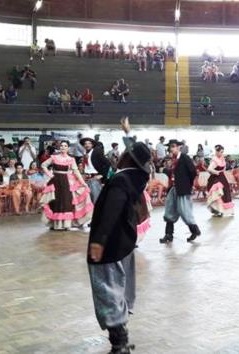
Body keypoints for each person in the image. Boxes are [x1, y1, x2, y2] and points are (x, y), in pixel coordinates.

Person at [87, 142, 153, 354]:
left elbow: (111, 212)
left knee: (107, 292)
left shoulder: (120, 180)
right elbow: (104, 163)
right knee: (119, 291)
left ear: (127, 158)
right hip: (124, 242)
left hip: (110, 246)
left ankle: (120, 344)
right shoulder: (135, 177)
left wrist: (99, 241)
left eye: (123, 153)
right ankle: (121, 339)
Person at [39, 140, 94, 230]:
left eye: (65, 146)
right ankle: (56, 225)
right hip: (55, 182)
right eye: (61, 146)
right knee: (56, 202)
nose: (63, 147)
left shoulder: (71, 159)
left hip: (66, 183)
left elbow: (76, 172)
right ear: (59, 147)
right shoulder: (54, 157)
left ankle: (66, 224)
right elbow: (43, 165)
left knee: (66, 202)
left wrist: (83, 183)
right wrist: (50, 175)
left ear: (68, 148)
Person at [159, 140, 201, 243]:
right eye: (170, 147)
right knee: (169, 210)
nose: (171, 149)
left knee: (184, 211)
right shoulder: (173, 159)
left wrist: (188, 185)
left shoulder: (184, 158)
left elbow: (193, 172)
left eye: (173, 146)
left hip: (183, 189)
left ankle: (195, 230)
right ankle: (168, 234)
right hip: (174, 188)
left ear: (178, 147)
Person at [206, 144, 235, 217]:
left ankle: (224, 210)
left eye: (222, 152)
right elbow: (209, 169)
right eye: (220, 152)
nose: (222, 153)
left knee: (226, 191)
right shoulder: (214, 159)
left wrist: (221, 171)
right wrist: (216, 172)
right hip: (215, 179)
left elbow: (224, 168)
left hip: (222, 177)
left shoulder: (222, 158)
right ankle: (218, 210)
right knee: (218, 193)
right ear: (217, 151)